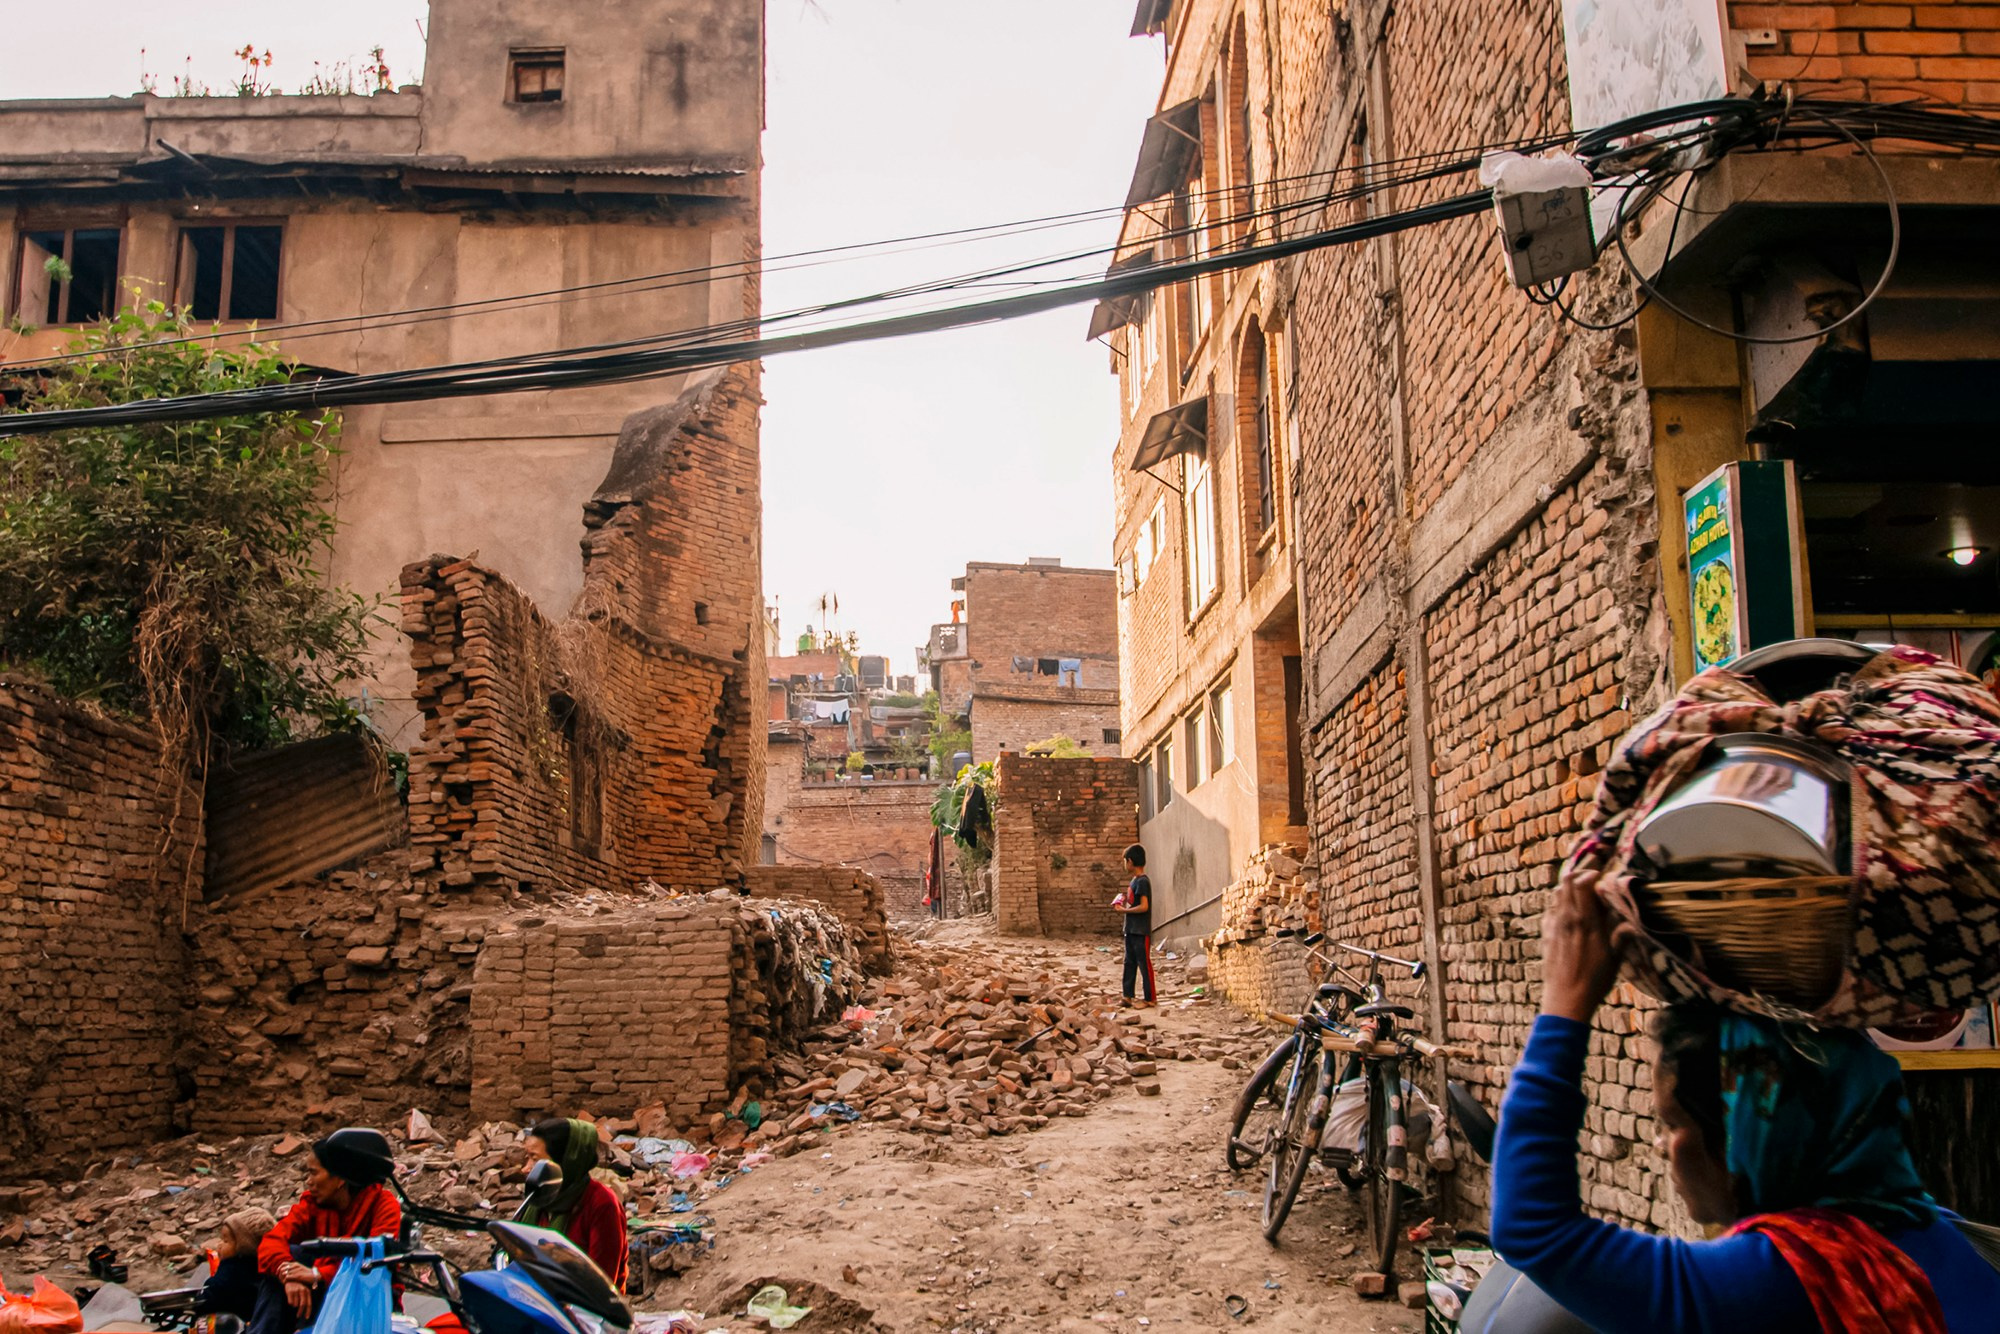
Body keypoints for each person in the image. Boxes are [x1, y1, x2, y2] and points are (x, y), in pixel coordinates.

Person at [1490, 867, 2000, 1332]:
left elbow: (1534, 1231)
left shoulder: (1774, 1280)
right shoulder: (1942, 1234)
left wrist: (1566, 999)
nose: (1665, 1146)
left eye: (1671, 1123)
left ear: (1748, 1141)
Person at [252, 1128, 402, 1334]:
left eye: (314, 1172)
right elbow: (273, 1239)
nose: (308, 1181)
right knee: (290, 1256)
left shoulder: (384, 1205)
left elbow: (375, 1258)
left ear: (340, 1179)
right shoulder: (314, 1203)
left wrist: (318, 1274)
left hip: (366, 1295)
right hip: (319, 1290)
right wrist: (287, 1273)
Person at [521, 1118, 629, 1289]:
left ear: (565, 1160)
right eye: (527, 1158)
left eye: (535, 1159)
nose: (526, 1168)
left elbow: (601, 1283)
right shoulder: (538, 1200)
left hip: (586, 1311)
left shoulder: (602, 1203)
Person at [192, 1208, 274, 1327]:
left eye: (225, 1241)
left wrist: (199, 1298)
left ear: (243, 1248)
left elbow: (212, 1294)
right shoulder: (264, 1269)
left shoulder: (232, 1270)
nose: (219, 1245)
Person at [1114, 843, 1155, 1008]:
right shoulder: (1134, 881)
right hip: (1131, 929)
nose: (1125, 864)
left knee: (1144, 963)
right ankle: (1127, 996)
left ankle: (1150, 998)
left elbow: (1144, 906)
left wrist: (1124, 910)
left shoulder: (1143, 882)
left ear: (1130, 861)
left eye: (1125, 861)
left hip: (1140, 930)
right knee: (1129, 962)